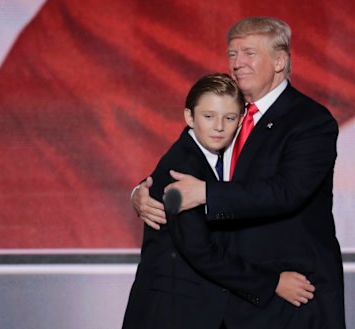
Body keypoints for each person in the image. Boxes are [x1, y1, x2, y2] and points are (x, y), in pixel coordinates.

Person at [132, 17, 345, 328]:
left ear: (279, 61)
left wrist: (205, 193)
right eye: (232, 54)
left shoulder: (310, 121)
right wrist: (142, 192)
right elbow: (183, 164)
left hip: (290, 296)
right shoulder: (224, 114)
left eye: (248, 53)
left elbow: (287, 191)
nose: (237, 63)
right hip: (229, 299)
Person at [122, 73, 314, 329]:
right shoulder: (180, 170)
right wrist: (272, 284)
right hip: (171, 314)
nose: (219, 127)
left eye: (230, 117)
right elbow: (199, 251)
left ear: (242, 119)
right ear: (190, 117)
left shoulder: (225, 157)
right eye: (208, 116)